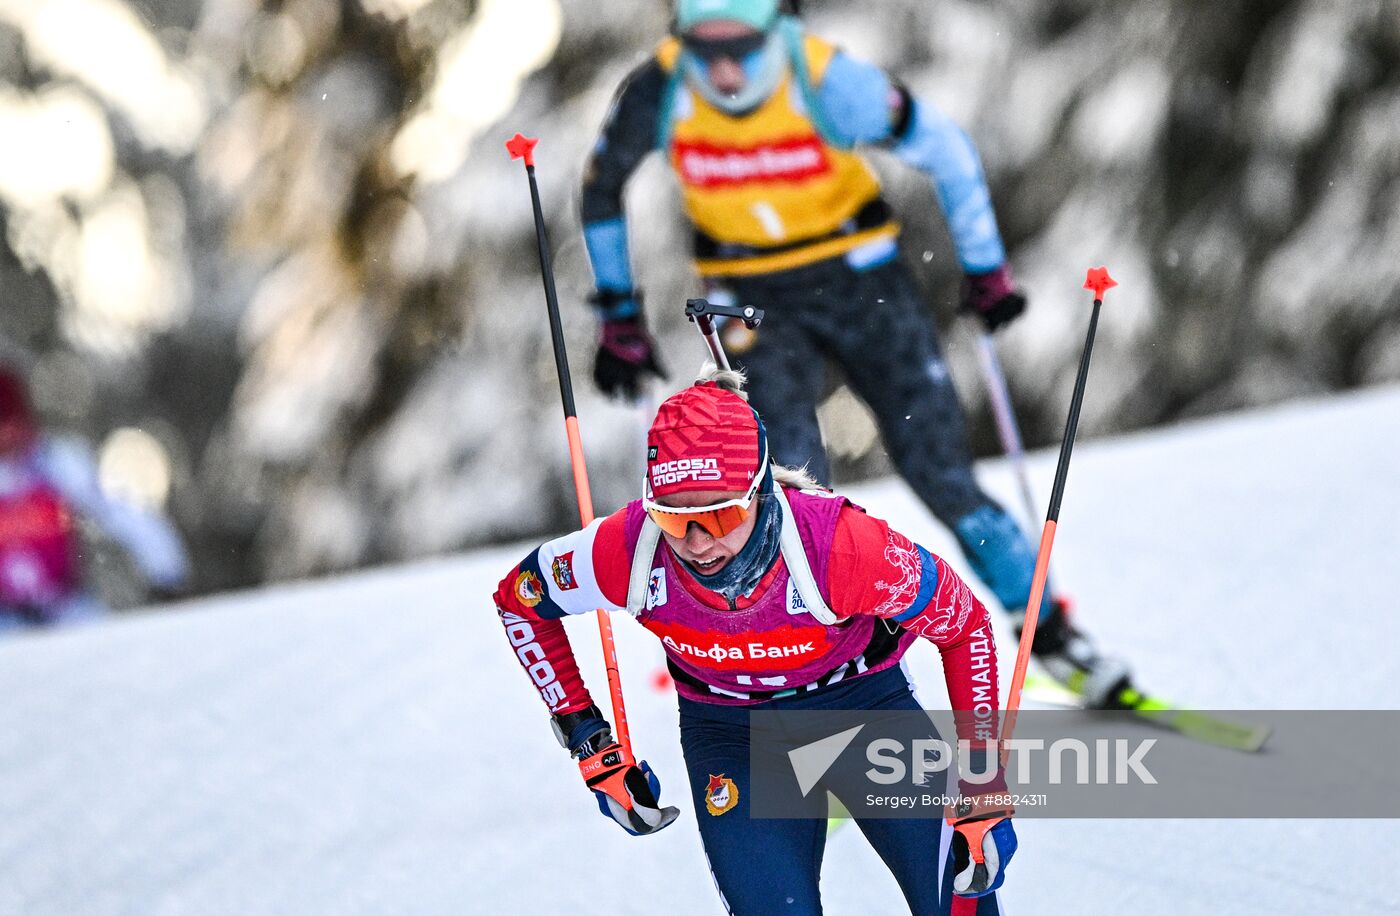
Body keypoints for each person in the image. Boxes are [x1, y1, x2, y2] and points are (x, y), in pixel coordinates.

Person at [579, 0, 1132, 707]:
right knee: (787, 490)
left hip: (863, 283)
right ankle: (808, 680)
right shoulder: (660, 88)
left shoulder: (824, 78)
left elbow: (948, 148)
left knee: (942, 475)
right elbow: (600, 191)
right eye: (701, 44)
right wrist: (617, 314)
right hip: (754, 303)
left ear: (776, 28)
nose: (720, 66)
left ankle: (1052, 637)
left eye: (741, 46)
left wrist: (987, 268)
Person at [493, 370, 1015, 914]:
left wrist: (982, 775)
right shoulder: (625, 551)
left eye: (720, 513)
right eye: (672, 517)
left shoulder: (843, 550)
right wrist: (590, 743)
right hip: (733, 736)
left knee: (958, 900)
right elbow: (518, 601)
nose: (697, 542)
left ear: (761, 491)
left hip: (863, 713)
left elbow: (965, 625)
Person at [0, 365, 189, 633]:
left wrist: (165, 569)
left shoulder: (55, 463)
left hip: (66, 612)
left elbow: (118, 511)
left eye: (9, 423)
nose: (5, 435)